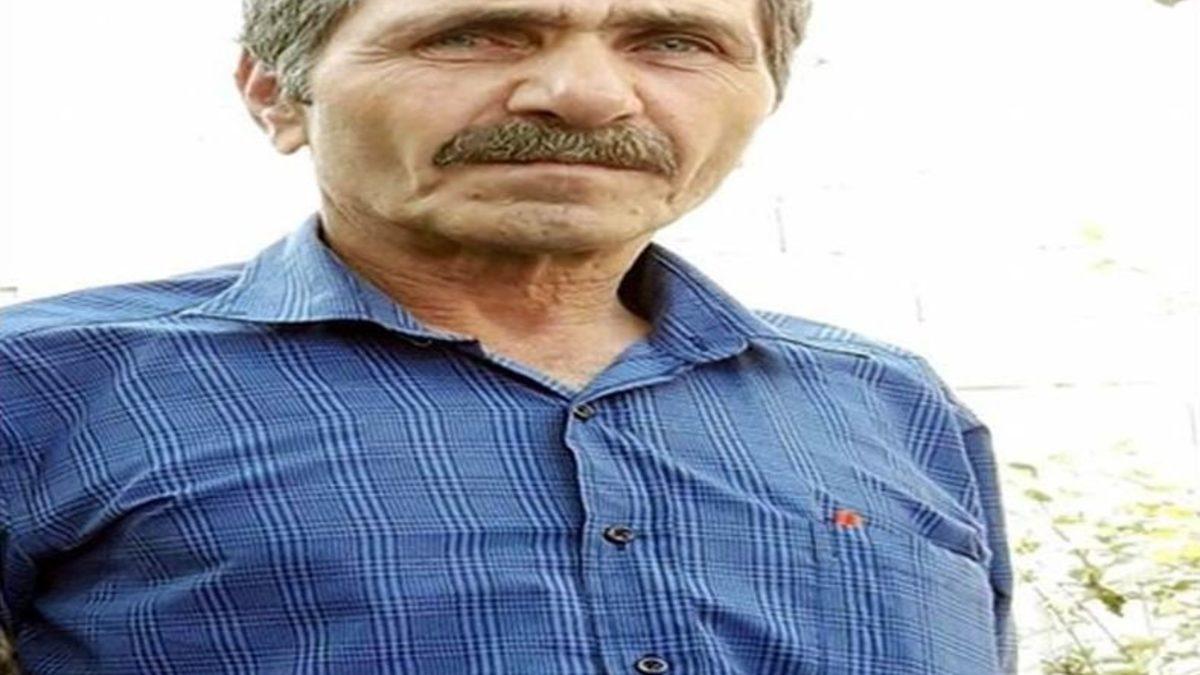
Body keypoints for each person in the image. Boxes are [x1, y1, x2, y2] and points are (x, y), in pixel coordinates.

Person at [0, 0, 1016, 672]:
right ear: (276, 93)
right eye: (476, 33)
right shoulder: (44, 385)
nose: (584, 96)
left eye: (674, 41)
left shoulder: (890, 407)